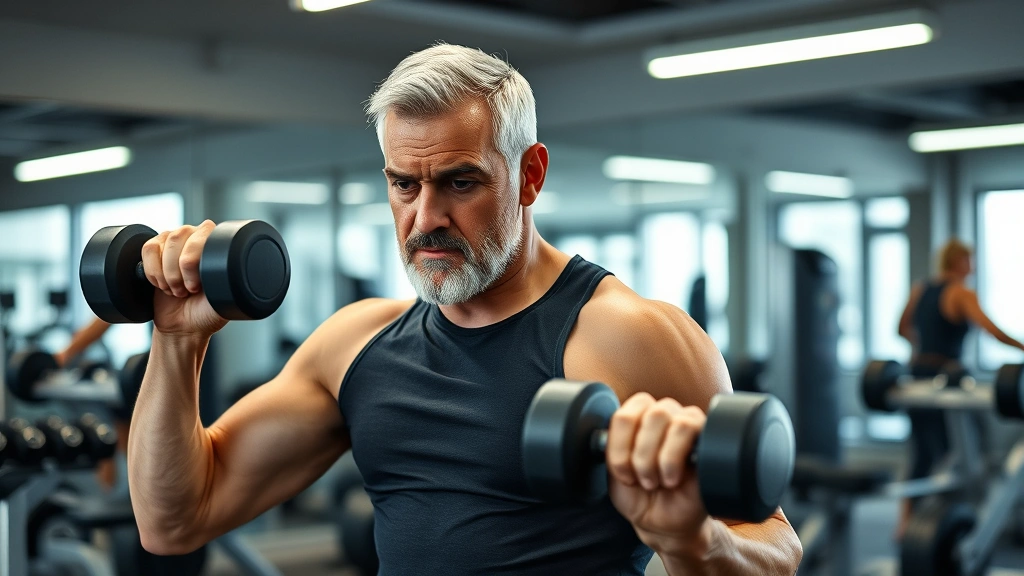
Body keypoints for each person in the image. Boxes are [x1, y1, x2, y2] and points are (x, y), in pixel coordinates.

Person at [126, 44, 802, 575]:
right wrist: (178, 343)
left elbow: (774, 550)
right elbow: (175, 521)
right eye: (403, 184)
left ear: (530, 175)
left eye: (460, 182)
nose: (425, 218)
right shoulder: (357, 344)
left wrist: (693, 542)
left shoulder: (629, 336)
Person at [895, 238, 1024, 538]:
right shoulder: (961, 293)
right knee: (957, 449)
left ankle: (904, 524)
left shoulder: (921, 289)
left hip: (918, 373)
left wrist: (921, 349)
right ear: (959, 262)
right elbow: (991, 330)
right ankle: (946, 518)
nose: (973, 266)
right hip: (946, 378)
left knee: (923, 450)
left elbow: (901, 328)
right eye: (970, 260)